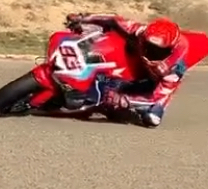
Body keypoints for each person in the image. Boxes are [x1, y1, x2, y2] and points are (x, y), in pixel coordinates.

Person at [62, 12, 190, 128]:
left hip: (151, 85)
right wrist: (84, 19)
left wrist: (126, 100)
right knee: (104, 32)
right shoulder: (140, 31)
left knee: (152, 118)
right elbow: (113, 19)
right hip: (134, 65)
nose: (152, 53)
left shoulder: (173, 69)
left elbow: (156, 98)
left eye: (158, 51)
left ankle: (117, 106)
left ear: (171, 50)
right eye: (149, 47)